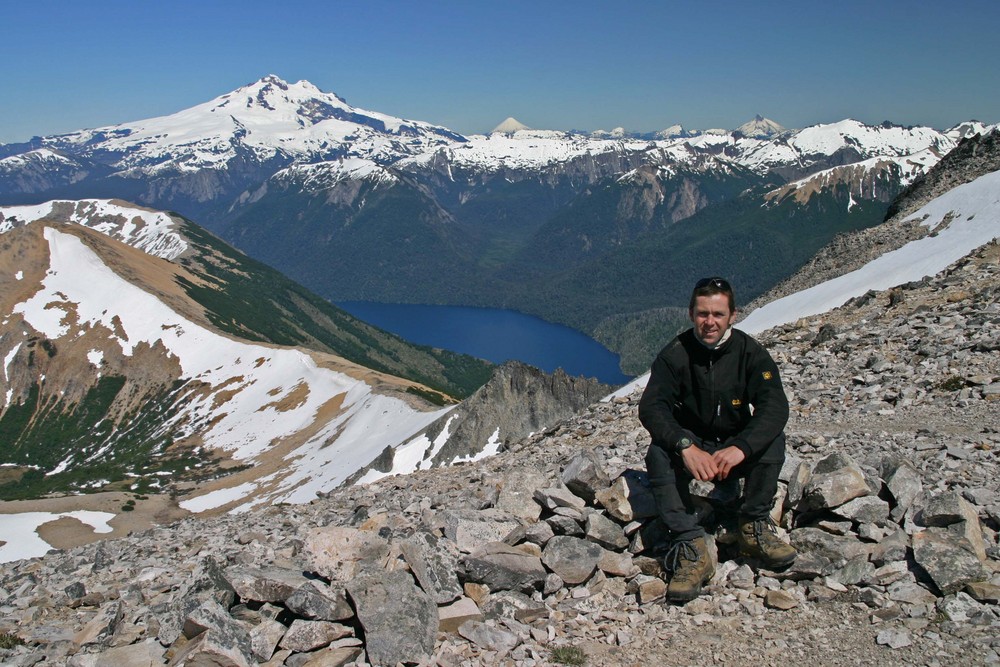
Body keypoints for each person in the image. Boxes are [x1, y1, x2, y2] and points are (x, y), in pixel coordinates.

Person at [638, 277, 796, 603]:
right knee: (658, 452)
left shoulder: (750, 353)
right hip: (694, 443)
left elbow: (775, 406)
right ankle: (691, 543)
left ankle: (753, 524)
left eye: (718, 314)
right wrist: (685, 446)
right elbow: (652, 407)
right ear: (691, 313)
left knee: (772, 439)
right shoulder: (675, 355)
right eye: (702, 313)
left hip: (734, 443)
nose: (710, 322)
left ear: (732, 316)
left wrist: (742, 447)